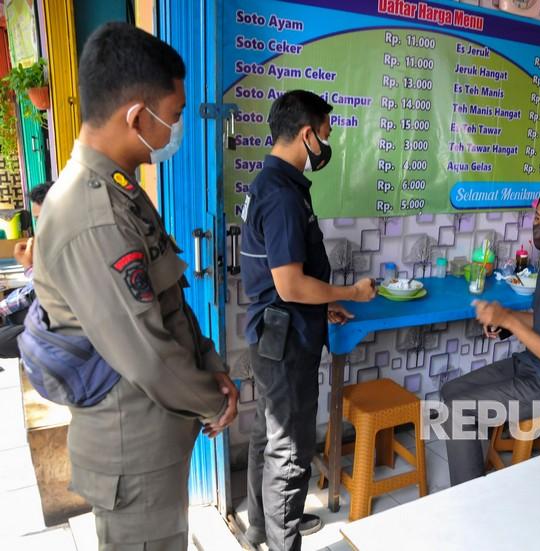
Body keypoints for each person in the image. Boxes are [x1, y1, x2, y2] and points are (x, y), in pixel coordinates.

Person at [32, 23, 238, 550]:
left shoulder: (119, 190)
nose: (176, 129)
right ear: (136, 116)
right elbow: (146, 353)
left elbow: (167, 302)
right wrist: (212, 402)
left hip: (148, 441)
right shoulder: (93, 214)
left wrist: (211, 365)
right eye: (174, 116)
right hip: (131, 457)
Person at [240, 90, 376, 551]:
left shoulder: (274, 184)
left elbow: (291, 282)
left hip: (276, 334)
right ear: (306, 134)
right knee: (291, 449)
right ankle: (284, 543)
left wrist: (324, 304)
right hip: (285, 339)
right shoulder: (280, 195)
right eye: (325, 133)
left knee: (268, 434)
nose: (327, 143)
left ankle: (261, 527)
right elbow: (291, 285)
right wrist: (349, 293)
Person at [440, 183, 540, 486]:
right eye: (538, 219)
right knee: (450, 393)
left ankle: (467, 498)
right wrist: (506, 321)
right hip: (530, 365)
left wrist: (511, 322)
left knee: (460, 410)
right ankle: (477, 473)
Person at [0, 182, 52, 358]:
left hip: (66, 328)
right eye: (38, 220)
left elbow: (52, 294)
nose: (42, 226)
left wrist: (30, 268)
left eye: (46, 217)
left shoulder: (76, 243)